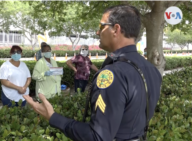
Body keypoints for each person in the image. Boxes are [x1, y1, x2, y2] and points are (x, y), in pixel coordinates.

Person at [23, 5, 162, 141]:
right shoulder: (152, 70)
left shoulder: (113, 74)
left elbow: (98, 136)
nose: (97, 32)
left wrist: (53, 117)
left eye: (101, 26)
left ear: (116, 29)